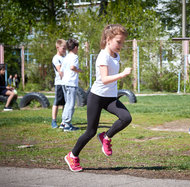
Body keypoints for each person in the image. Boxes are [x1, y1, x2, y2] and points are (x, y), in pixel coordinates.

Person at [65, 24, 132, 172]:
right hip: (96, 97)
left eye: (122, 42)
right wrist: (122, 74)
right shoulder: (103, 56)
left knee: (126, 118)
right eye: (118, 42)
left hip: (110, 98)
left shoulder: (116, 55)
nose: (121, 45)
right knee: (90, 131)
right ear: (108, 39)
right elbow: (105, 79)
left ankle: (106, 137)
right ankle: (72, 155)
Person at [61, 38, 82, 132]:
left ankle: (63, 122)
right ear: (76, 47)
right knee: (71, 104)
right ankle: (67, 125)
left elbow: (62, 70)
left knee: (67, 103)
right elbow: (72, 67)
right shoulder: (74, 57)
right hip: (71, 83)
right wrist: (79, 70)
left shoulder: (66, 57)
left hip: (64, 82)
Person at [51, 39, 67, 129]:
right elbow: (60, 71)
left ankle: (64, 121)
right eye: (63, 48)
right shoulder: (56, 58)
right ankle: (54, 120)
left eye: (65, 48)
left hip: (66, 83)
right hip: (59, 83)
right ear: (58, 47)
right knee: (57, 102)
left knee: (65, 103)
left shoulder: (65, 57)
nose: (65, 50)